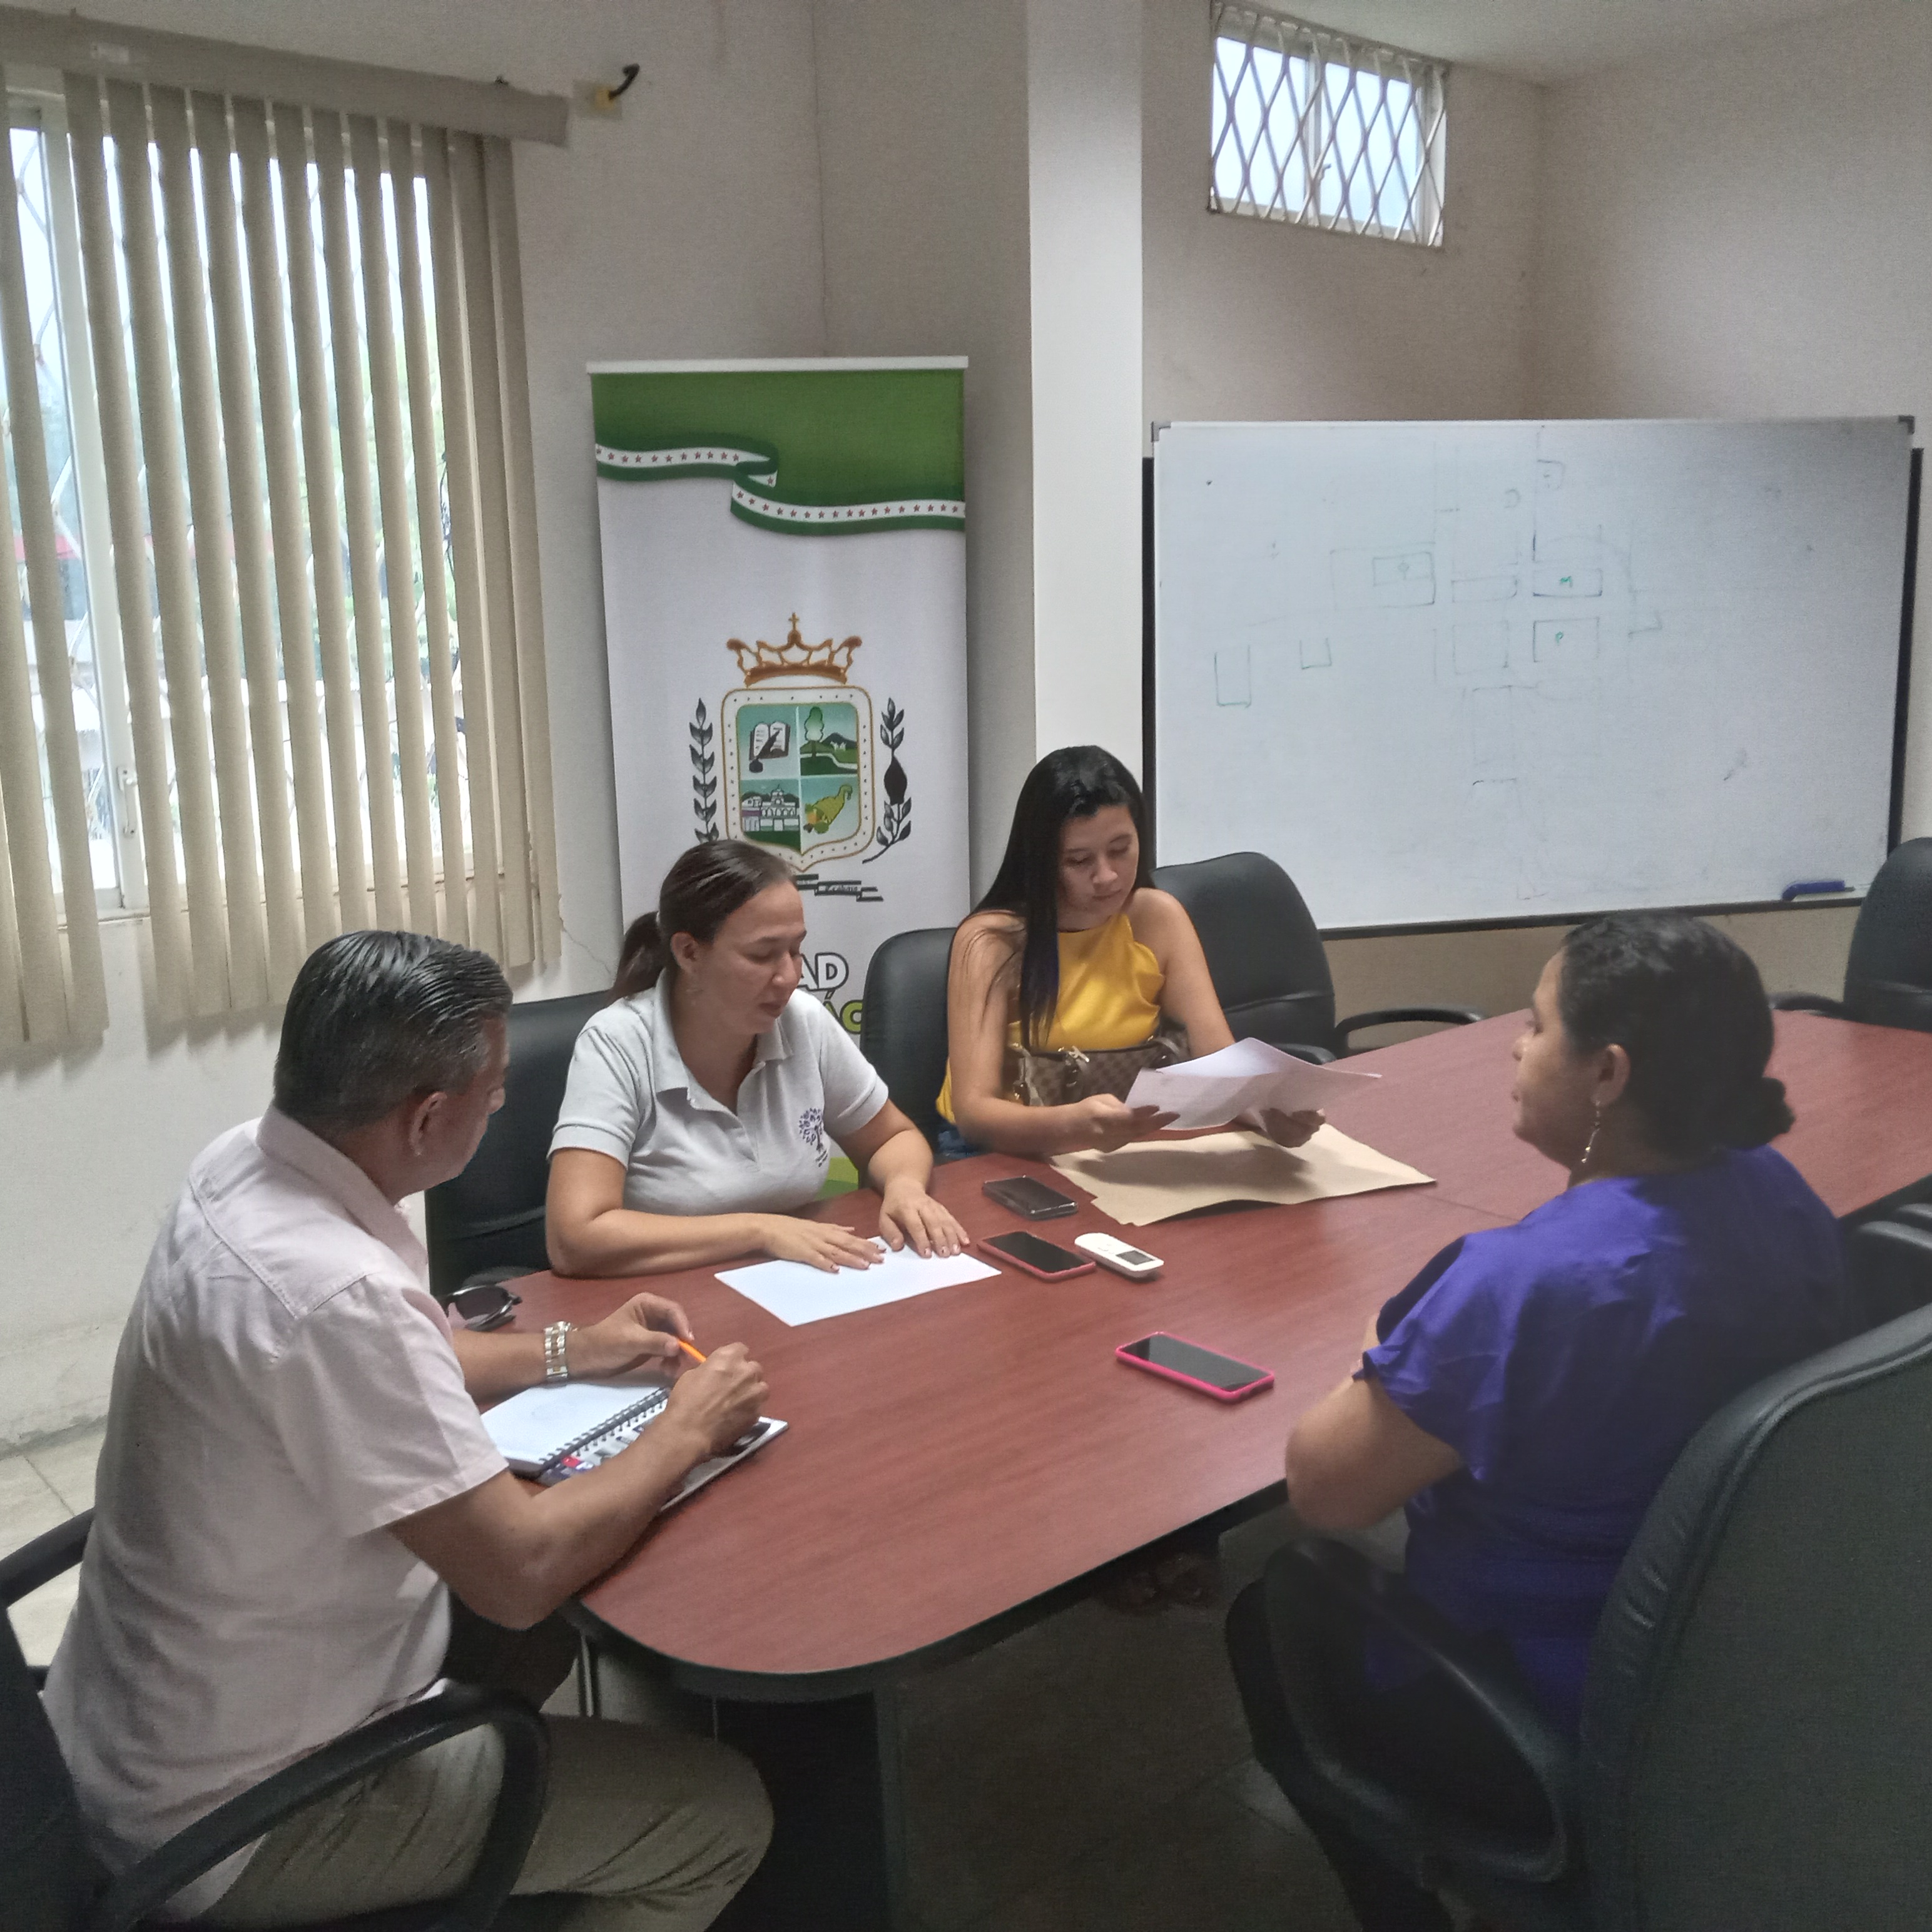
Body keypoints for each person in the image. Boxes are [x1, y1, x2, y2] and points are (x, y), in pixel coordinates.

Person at [42, 932, 773, 1931]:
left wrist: (577, 1350)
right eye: (496, 1093)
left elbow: (397, 1365)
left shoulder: (245, 1167)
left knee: (546, 1633)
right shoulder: (336, 1293)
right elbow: (518, 1571)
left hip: (134, 1724)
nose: (500, 1105)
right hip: (239, 1818)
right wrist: (684, 1431)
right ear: (428, 1118)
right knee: (717, 1818)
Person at [1225, 913, 1859, 1932]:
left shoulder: (1522, 1286)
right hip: (1731, 1654)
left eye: (1533, 1025)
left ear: (1606, 1072)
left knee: (1270, 1614)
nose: (1514, 1049)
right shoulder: (1780, 1194)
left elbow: (1324, 1490)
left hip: (1546, 1697)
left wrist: (1377, 1341)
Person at [548, 839, 966, 1277]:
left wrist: (904, 1187)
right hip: (667, 1295)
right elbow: (574, 1236)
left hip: (790, 1284)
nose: (789, 976)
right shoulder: (617, 1042)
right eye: (762, 955)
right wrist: (760, 1231)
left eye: (796, 951)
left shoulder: (803, 1021)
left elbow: (890, 1139)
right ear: (689, 953)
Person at [938, 744, 1323, 1159]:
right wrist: (1072, 1126)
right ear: (1041, 861)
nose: (1107, 876)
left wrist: (1267, 1113)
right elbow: (974, 1113)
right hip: (1004, 1150)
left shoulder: (1157, 919)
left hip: (1120, 1143)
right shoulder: (991, 942)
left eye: (1121, 850)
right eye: (1079, 860)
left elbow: (1218, 1063)